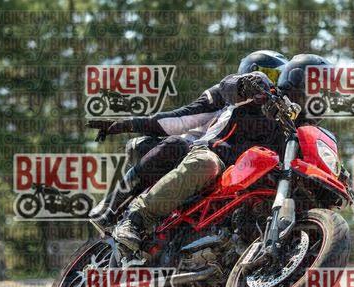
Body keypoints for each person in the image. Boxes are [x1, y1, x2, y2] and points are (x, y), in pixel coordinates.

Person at [112, 54, 332, 252]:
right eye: (319, 86)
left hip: (251, 183)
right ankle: (136, 218)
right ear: (297, 77)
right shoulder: (262, 93)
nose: (324, 95)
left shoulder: (298, 130)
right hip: (218, 156)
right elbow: (228, 86)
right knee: (206, 164)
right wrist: (247, 85)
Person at [88, 50, 289, 233]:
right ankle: (116, 206)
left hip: (232, 173)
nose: (270, 83)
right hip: (191, 152)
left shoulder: (277, 118)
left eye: (276, 77)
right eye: (266, 74)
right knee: (178, 145)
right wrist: (125, 124)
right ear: (248, 72)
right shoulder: (227, 96)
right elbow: (178, 120)